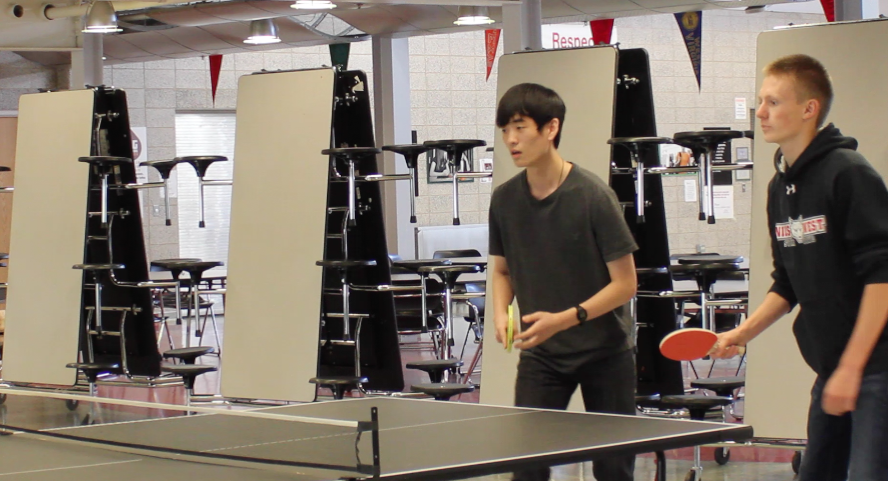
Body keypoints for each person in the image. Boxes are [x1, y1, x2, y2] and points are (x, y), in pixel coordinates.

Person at [712, 54, 888, 480]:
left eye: (772, 102)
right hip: (832, 366)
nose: (760, 112)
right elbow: (786, 282)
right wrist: (742, 333)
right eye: (759, 101)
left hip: (878, 369)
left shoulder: (849, 174)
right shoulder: (780, 187)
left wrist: (852, 367)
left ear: (809, 109)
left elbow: (882, 276)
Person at [488, 82, 638, 481]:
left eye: (519, 127)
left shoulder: (593, 197)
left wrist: (565, 318)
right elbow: (502, 270)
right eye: (504, 129)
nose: (510, 139)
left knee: (613, 471)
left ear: (551, 128)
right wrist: (501, 311)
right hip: (543, 357)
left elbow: (625, 284)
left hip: (605, 354)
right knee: (527, 469)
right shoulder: (504, 200)